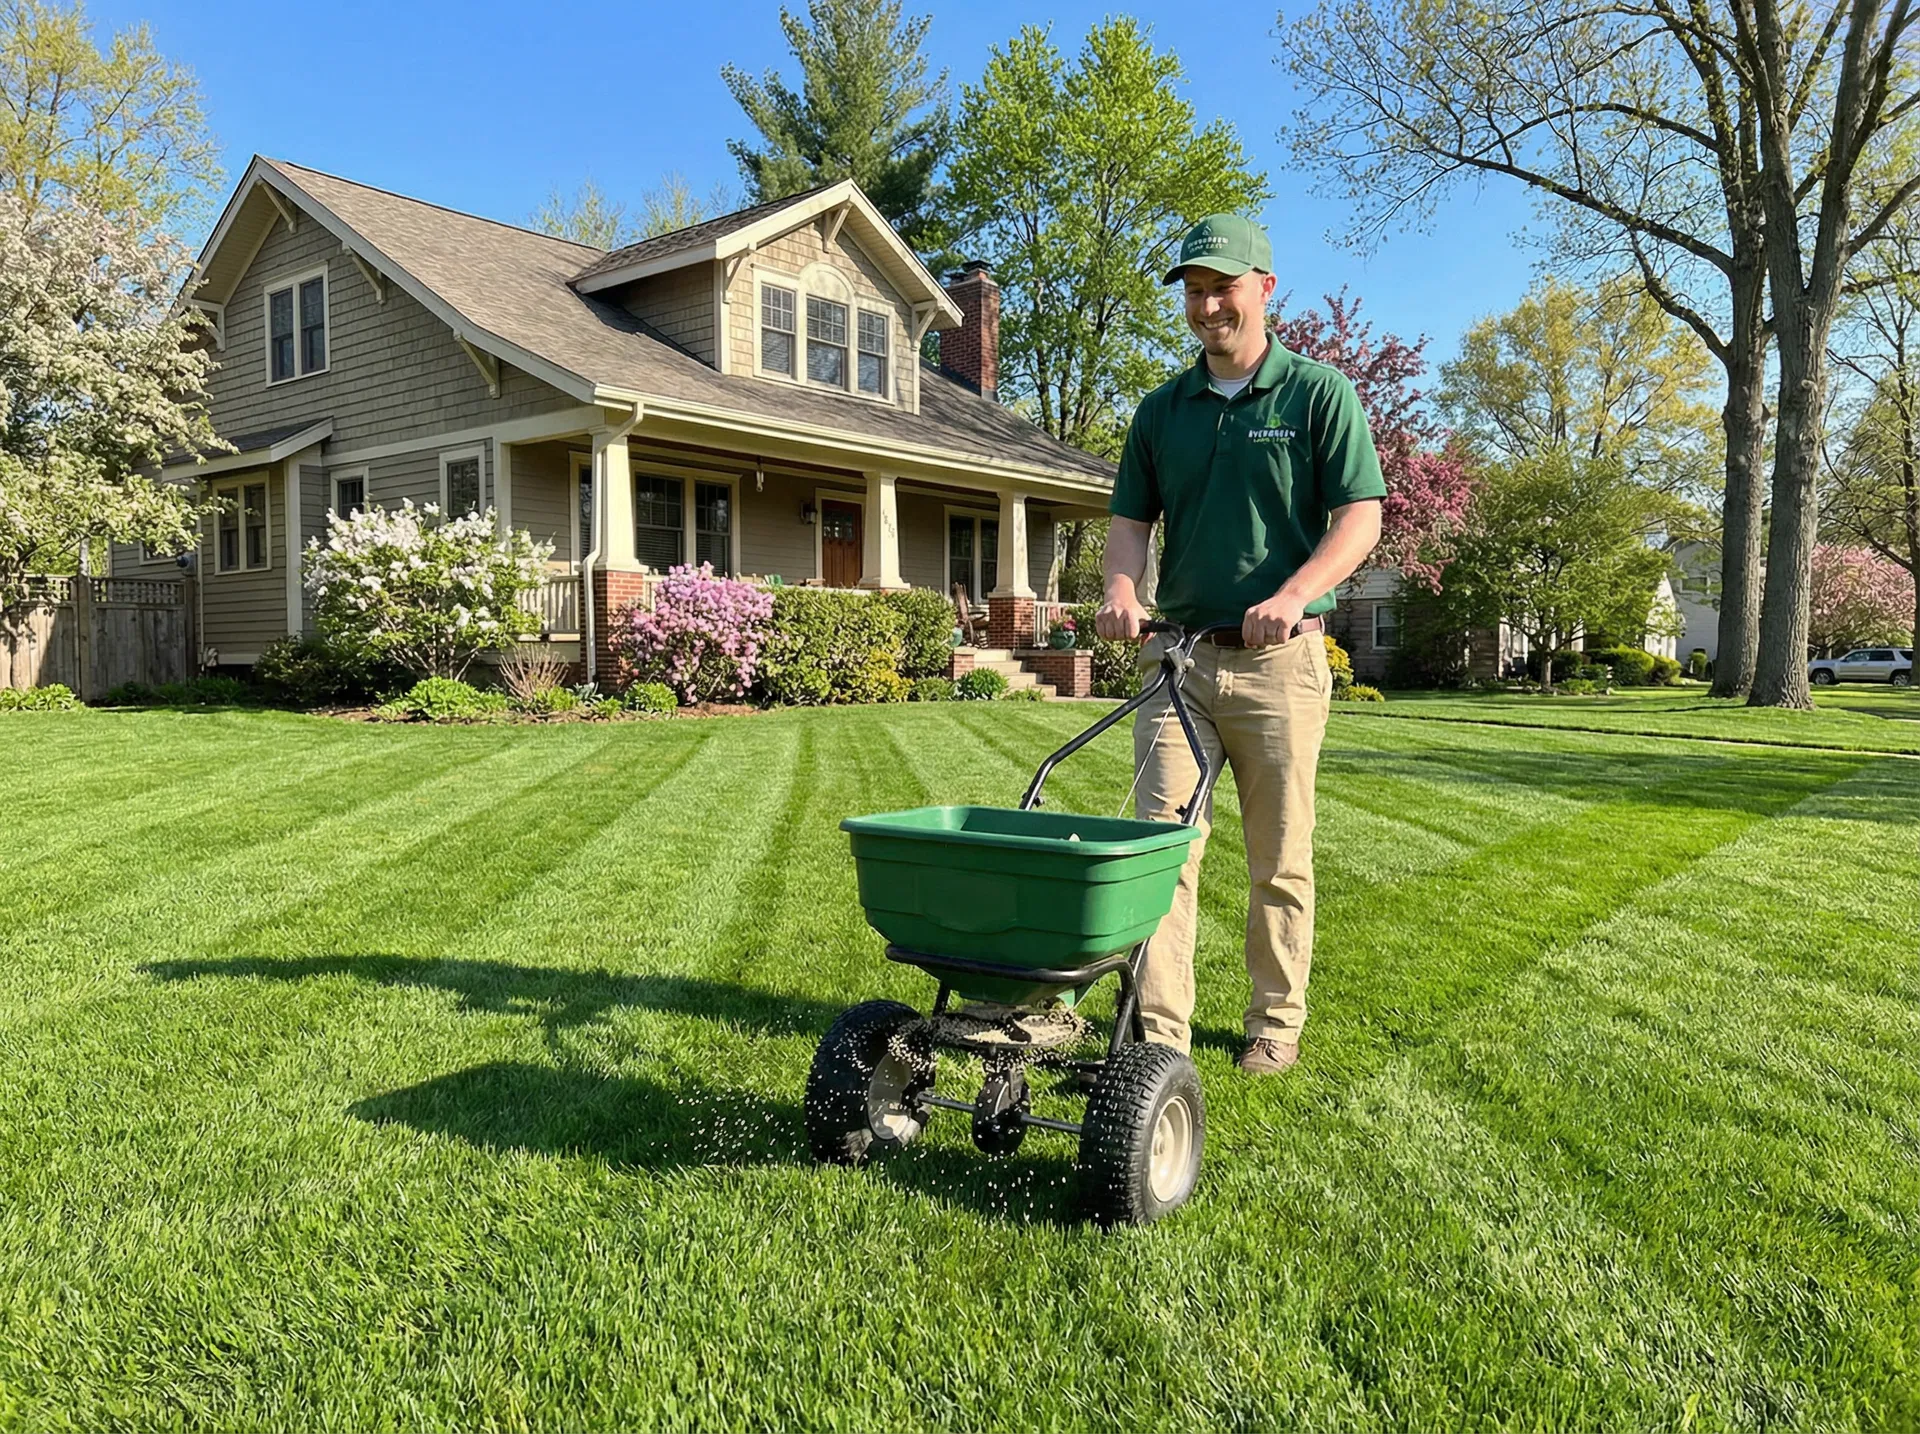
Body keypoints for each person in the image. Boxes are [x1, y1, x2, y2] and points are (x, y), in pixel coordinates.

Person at [1095, 214, 1386, 1075]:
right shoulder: (1161, 410)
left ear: (1265, 287)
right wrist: (1120, 587)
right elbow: (1128, 523)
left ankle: (1274, 1023)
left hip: (1278, 662)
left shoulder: (1318, 394)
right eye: (1193, 289)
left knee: (1279, 854)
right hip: (1176, 660)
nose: (1207, 304)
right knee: (1160, 851)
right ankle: (1159, 1037)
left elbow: (1360, 515)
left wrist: (1294, 594)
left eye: (1223, 286)